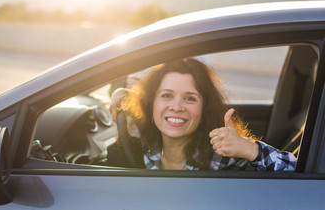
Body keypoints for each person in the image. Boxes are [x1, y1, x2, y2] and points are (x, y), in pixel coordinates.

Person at [107, 58, 297, 171]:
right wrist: (120, 94)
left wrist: (250, 149)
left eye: (190, 99)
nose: (176, 106)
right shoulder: (143, 146)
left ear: (204, 108)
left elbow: (299, 175)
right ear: (150, 103)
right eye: (166, 95)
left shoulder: (221, 155)